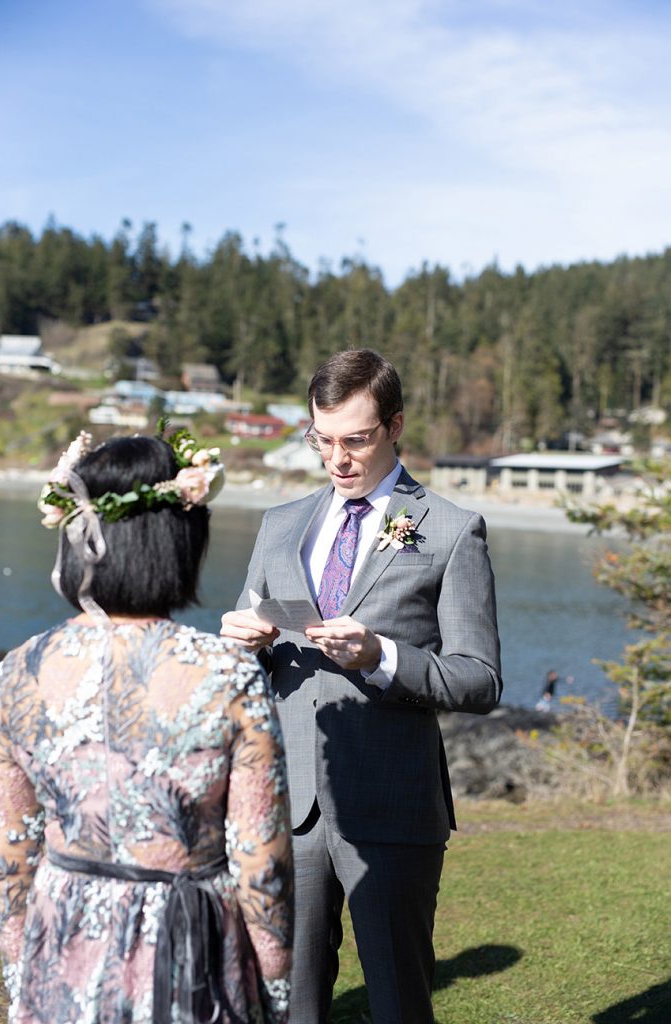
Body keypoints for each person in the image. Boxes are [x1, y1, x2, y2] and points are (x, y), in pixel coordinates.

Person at [221, 349, 502, 1024]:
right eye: (322, 441)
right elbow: (246, 669)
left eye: (355, 440)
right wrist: (240, 646)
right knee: (288, 1005)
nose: (337, 459)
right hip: (288, 805)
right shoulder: (279, 524)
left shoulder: (450, 529)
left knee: (398, 1005)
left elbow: (480, 679)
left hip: (392, 807)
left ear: (394, 426)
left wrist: (381, 656)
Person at [0, 426, 293, 1024]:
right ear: (180, 542)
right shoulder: (228, 675)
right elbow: (261, 859)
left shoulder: (19, 672)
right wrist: (275, 989)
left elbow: (11, 854)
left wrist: (22, 974)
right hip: (190, 950)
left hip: (63, 944)